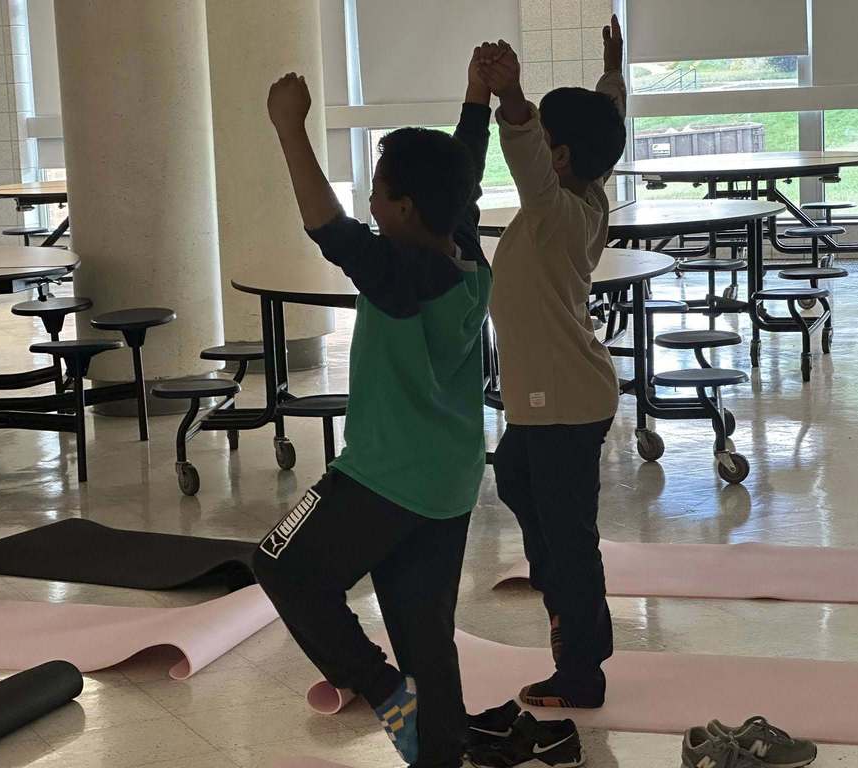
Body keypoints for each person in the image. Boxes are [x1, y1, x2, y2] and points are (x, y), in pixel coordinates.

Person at [252, 53, 493, 768]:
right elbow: (463, 172)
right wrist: (474, 98)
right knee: (426, 634)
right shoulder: (463, 251)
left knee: (280, 564)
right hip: (448, 481)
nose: (370, 208)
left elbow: (326, 226)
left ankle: (383, 690)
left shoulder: (397, 275)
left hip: (385, 475)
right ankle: (438, 753)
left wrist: (288, 128)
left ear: (405, 210)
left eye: (380, 196)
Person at [478, 17, 627, 709]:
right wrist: (613, 64)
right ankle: (562, 595)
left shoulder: (557, 212)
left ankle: (582, 668)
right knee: (513, 476)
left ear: (560, 157)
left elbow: (529, 164)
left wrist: (512, 99)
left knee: (570, 541)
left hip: (561, 401)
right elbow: (609, 118)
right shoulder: (588, 193)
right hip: (558, 395)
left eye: (547, 143)